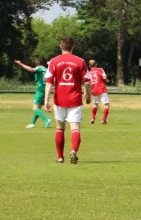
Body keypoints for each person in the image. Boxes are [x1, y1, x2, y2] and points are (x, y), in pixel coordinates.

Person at [44, 36, 92, 164]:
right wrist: (88, 96)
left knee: (60, 128)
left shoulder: (54, 61)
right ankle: (73, 152)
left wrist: (46, 100)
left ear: (60, 46)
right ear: (73, 46)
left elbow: (49, 82)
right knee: (75, 128)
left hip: (59, 99)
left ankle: (60, 157)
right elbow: (87, 83)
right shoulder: (80, 61)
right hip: (75, 99)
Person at [14, 58, 52, 129]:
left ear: (36, 63)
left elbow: (31, 69)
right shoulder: (46, 69)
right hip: (46, 89)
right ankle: (32, 124)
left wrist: (20, 63)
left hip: (40, 89)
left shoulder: (39, 68)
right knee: (38, 108)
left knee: (35, 108)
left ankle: (46, 120)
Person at [88, 60, 110, 125]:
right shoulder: (100, 69)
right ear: (96, 64)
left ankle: (92, 118)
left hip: (94, 90)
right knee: (106, 104)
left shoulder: (89, 73)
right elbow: (104, 78)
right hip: (102, 88)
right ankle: (103, 120)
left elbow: (88, 82)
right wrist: (108, 81)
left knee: (95, 104)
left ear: (89, 66)